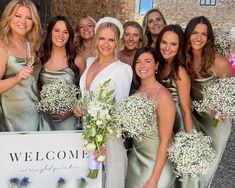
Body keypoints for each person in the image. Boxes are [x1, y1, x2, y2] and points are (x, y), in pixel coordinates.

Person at [74, 17, 133, 188]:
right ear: (96, 39)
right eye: (102, 38)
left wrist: (102, 142)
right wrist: (79, 106)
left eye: (111, 40)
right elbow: (86, 95)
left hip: (108, 139)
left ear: (117, 43)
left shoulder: (123, 69)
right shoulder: (90, 62)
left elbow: (120, 110)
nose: (106, 44)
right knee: (88, 181)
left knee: (109, 180)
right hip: (87, 132)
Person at [184, 16, 233, 188]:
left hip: (216, 122)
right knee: (189, 162)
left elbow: (231, 93)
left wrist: (221, 108)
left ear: (209, 37)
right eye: (195, 33)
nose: (198, 38)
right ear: (188, 34)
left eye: (204, 34)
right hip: (193, 115)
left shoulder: (219, 62)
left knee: (206, 166)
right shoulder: (184, 59)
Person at [126, 47, 176, 188]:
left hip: (155, 164)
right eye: (138, 62)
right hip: (135, 160)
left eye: (148, 61)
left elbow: (166, 141)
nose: (142, 66)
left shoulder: (163, 96)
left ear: (156, 65)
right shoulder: (134, 92)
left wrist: (154, 180)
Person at [0, 0, 49, 131]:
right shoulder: (2, 47)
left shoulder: (33, 45)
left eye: (28, 18)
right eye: (17, 16)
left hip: (34, 113)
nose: (23, 21)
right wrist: (17, 78)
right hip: (12, 118)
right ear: (9, 17)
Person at [39, 15, 85, 130]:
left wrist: (70, 111)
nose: (60, 35)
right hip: (45, 119)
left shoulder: (77, 60)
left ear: (69, 35)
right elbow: (34, 87)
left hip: (69, 120)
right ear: (50, 32)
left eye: (65, 32)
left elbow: (84, 92)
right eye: (56, 30)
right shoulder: (40, 57)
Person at [156, 24, 193, 134]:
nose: (167, 48)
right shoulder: (159, 64)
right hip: (163, 120)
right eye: (164, 42)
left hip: (178, 124)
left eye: (173, 44)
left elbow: (186, 109)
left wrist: (189, 138)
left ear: (180, 46)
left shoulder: (180, 71)